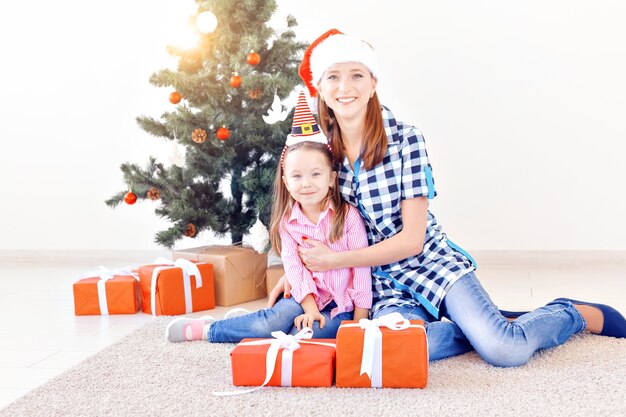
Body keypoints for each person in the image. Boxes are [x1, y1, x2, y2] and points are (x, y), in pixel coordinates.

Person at [268, 29, 626, 366]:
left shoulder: (407, 140)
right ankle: (478, 324)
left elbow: (412, 240)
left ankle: (569, 313)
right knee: (398, 352)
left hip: (430, 264)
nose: (345, 87)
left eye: (357, 75)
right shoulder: (319, 152)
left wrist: (333, 261)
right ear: (319, 86)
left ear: (373, 82)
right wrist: (298, 271)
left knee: (504, 349)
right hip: (375, 285)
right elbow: (305, 214)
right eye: (333, 76)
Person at [165, 91, 371, 343]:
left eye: (316, 174)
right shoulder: (288, 222)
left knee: (302, 336)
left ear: (331, 178)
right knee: (272, 323)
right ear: (285, 182)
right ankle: (210, 329)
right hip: (304, 297)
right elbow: (295, 270)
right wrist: (310, 309)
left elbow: (361, 269)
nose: (306, 184)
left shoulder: (347, 217)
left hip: (342, 306)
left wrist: (360, 322)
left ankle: (249, 323)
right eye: (297, 176)